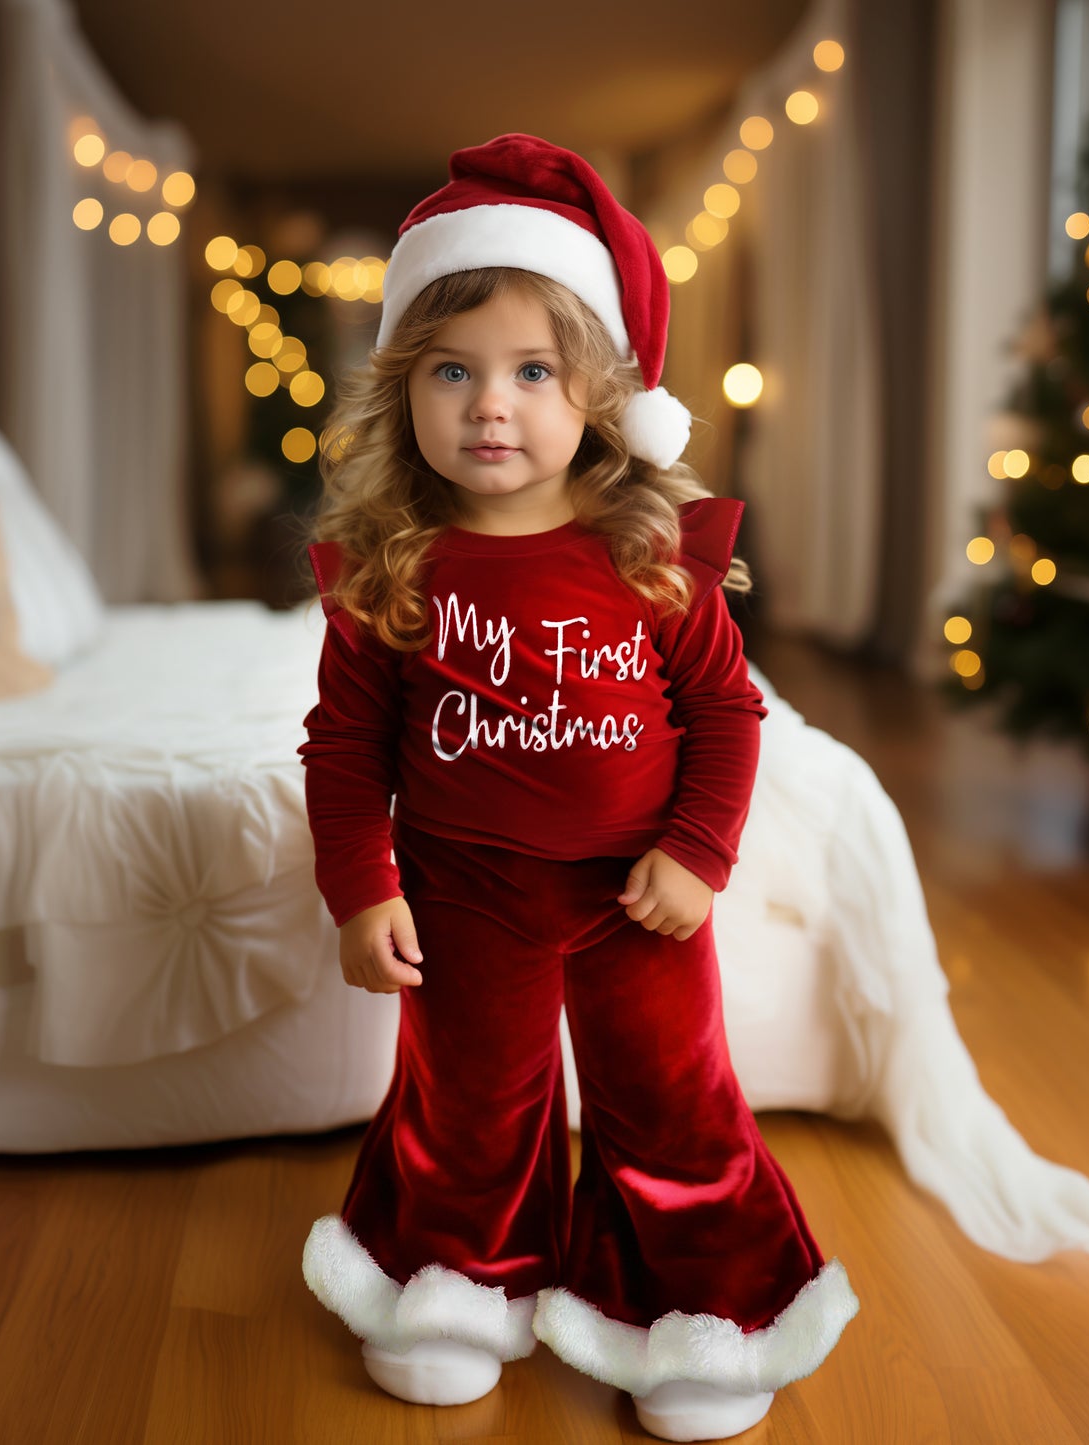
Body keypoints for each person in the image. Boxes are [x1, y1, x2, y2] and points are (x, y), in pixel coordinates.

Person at [298, 133, 859, 1443]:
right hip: (463, 887)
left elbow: (725, 711)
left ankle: (699, 1311)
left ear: (598, 393)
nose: (490, 405)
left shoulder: (647, 551)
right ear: (405, 392)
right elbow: (341, 745)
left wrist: (698, 850)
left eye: (532, 371)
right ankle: (450, 1283)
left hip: (636, 891)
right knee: (469, 1095)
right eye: (452, 371)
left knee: (667, 1093)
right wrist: (358, 884)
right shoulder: (395, 563)